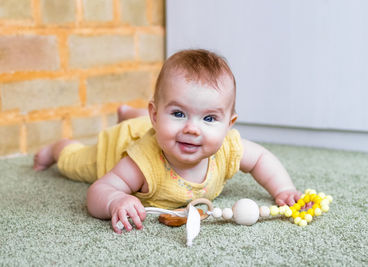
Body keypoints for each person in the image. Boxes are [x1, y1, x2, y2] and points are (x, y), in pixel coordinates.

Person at [34, 49, 301, 234]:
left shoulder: (227, 147)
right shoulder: (142, 162)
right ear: (156, 114)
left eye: (209, 118)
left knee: (167, 127)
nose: (192, 129)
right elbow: (97, 192)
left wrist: (283, 189)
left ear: (229, 125)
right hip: (116, 145)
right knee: (73, 163)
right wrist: (115, 200)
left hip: (154, 127)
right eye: (179, 113)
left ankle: (131, 112)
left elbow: (261, 159)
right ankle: (59, 147)